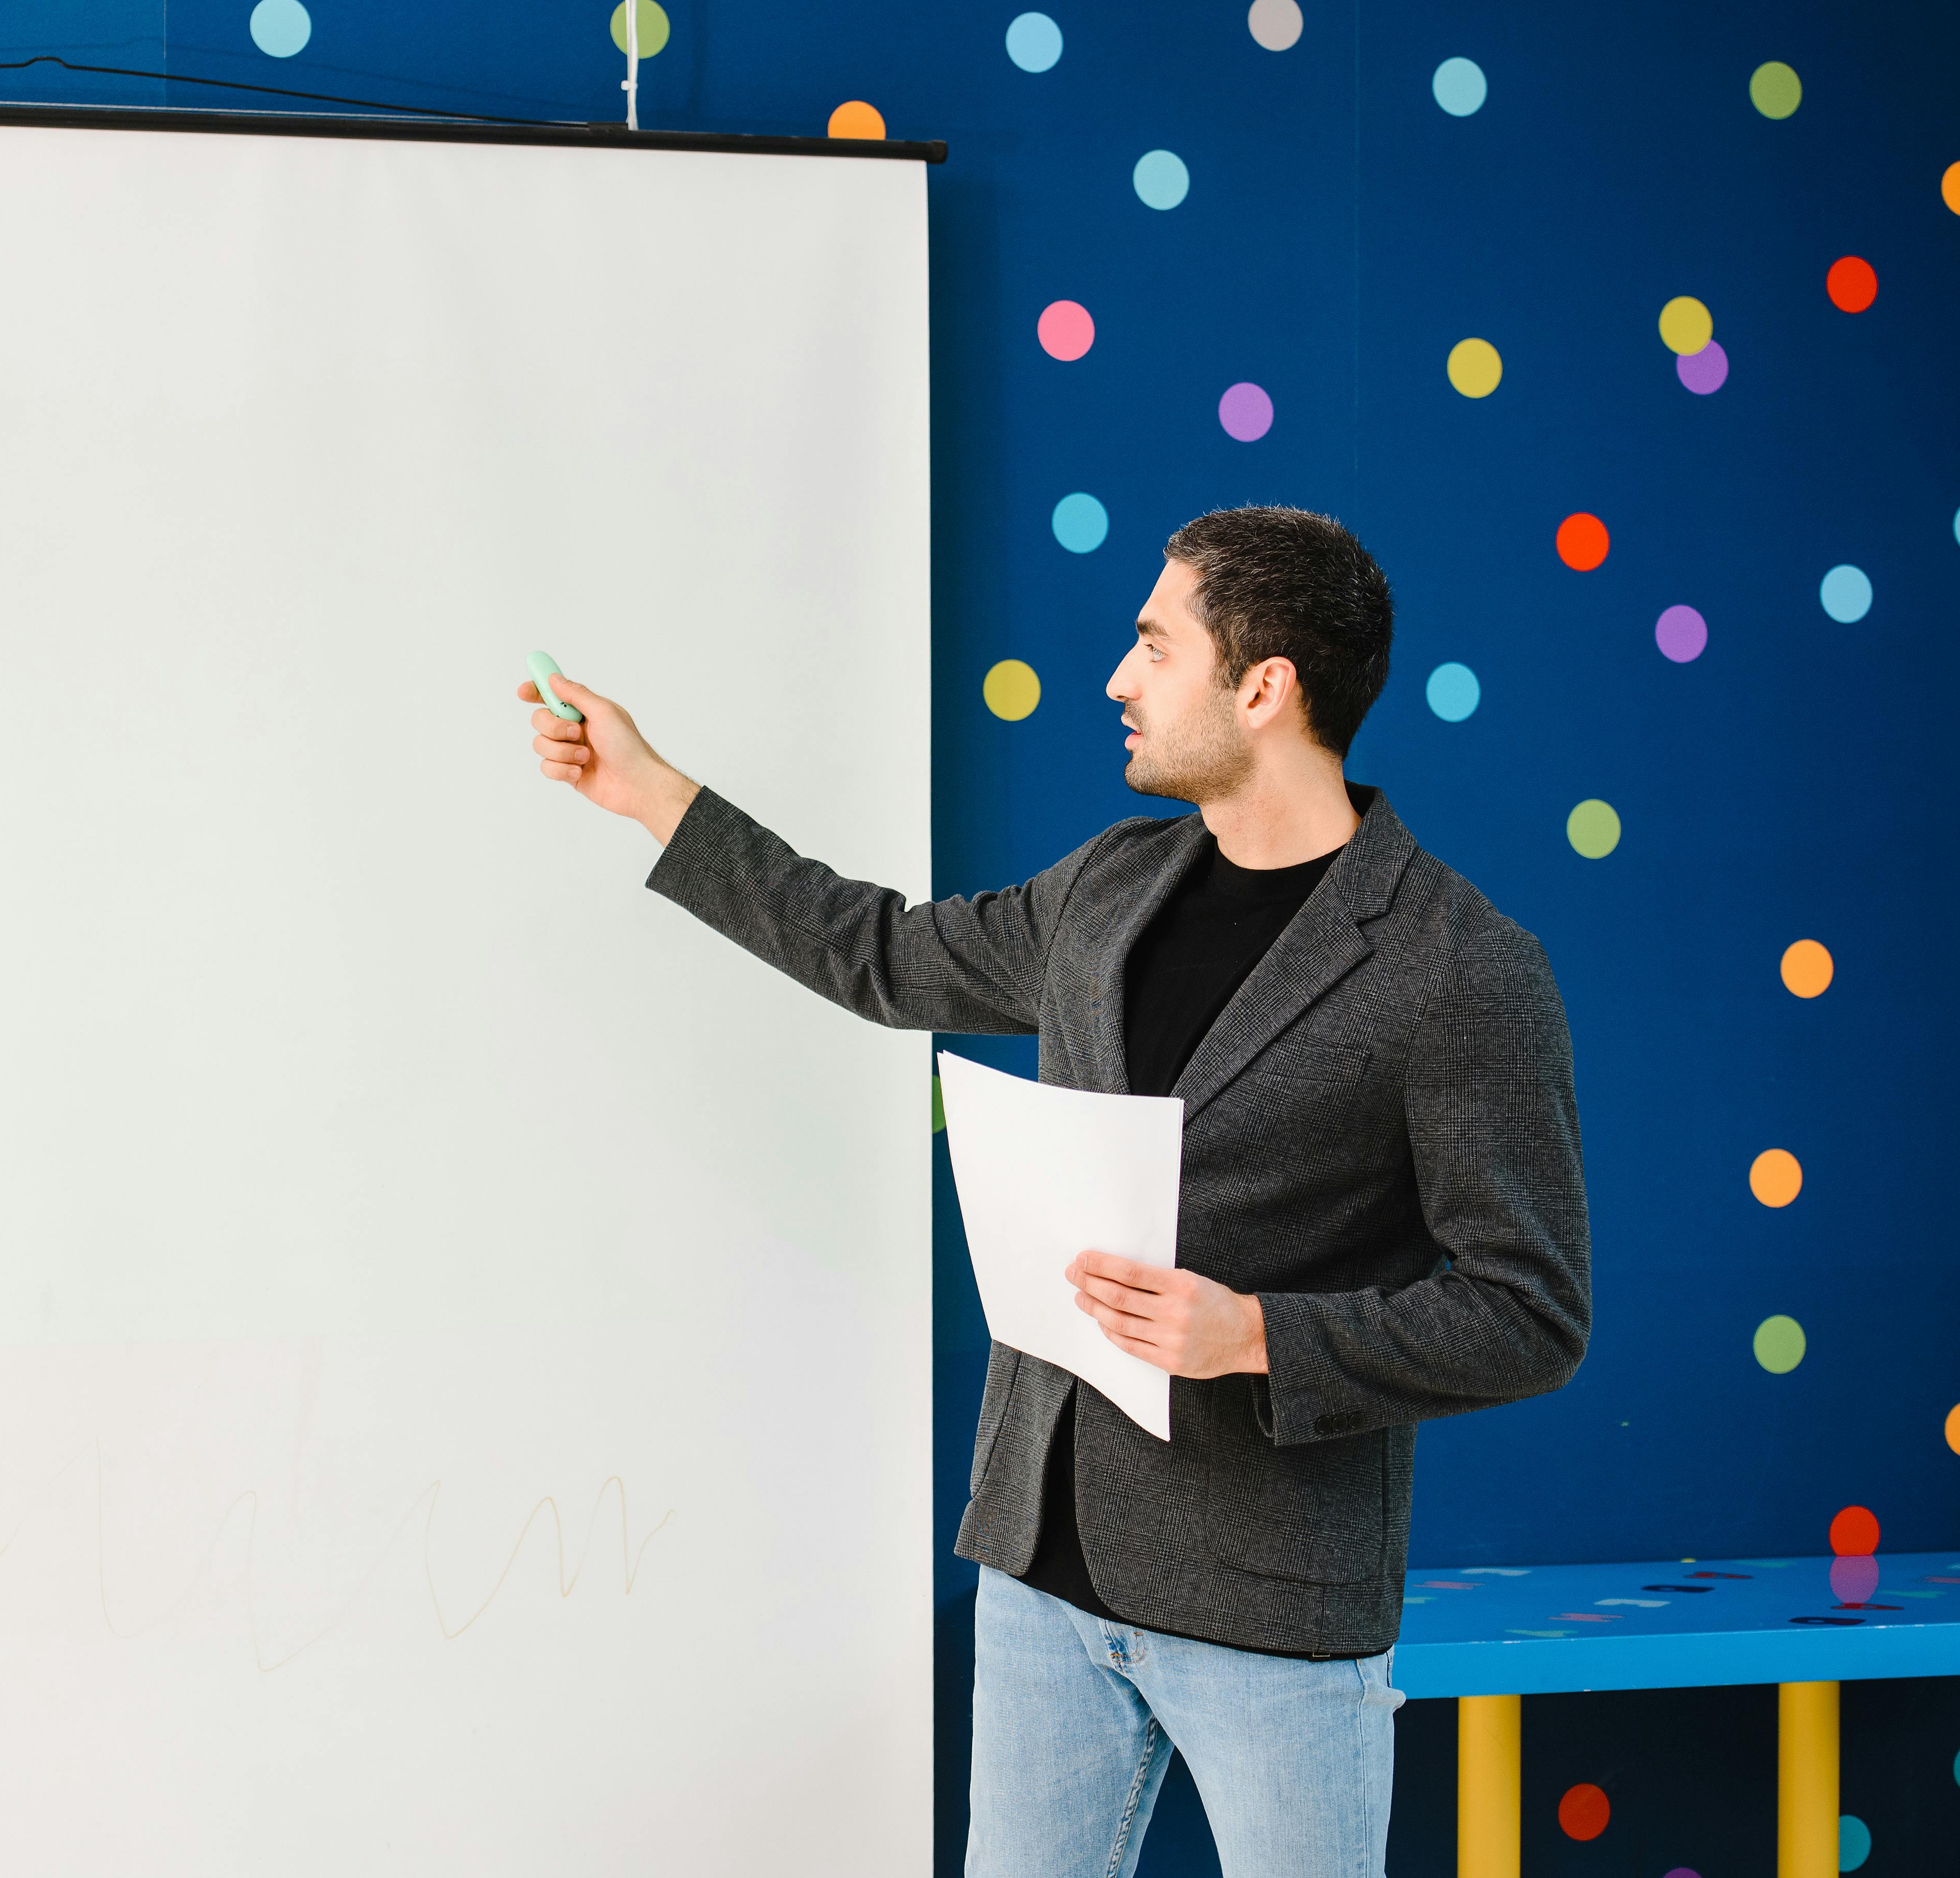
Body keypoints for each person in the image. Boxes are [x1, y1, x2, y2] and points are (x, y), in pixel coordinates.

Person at [516, 505, 1589, 1878]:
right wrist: (652, 793)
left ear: (1264, 690)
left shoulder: (1460, 966)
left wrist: (1257, 1334)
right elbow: (887, 957)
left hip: (1270, 1601)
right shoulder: (1114, 884)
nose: (1116, 678)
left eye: (1154, 643)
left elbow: (1529, 1311)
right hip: (1039, 1575)